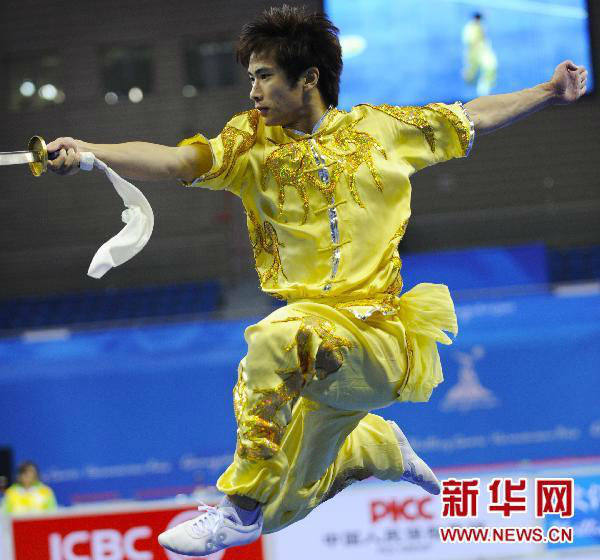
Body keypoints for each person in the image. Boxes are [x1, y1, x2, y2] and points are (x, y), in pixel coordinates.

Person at [46, 5, 588, 556]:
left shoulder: (381, 130)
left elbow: (472, 115)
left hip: (377, 338)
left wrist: (549, 91)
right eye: (250, 77)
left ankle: (238, 505)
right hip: (319, 358)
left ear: (308, 78)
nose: (253, 91)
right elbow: (174, 161)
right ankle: (373, 447)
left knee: (273, 340)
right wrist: (90, 154)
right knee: (280, 510)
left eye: (264, 76)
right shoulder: (249, 145)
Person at [462, 12, 498, 96]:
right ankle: (483, 92)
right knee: (475, 73)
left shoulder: (476, 26)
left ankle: (484, 91)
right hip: (477, 52)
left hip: (480, 52)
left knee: (490, 69)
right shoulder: (471, 28)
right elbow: (471, 42)